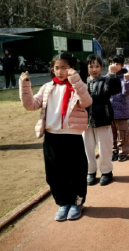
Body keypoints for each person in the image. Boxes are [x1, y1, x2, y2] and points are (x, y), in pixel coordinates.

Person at [19, 52, 92, 221]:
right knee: (54, 174)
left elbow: (86, 102)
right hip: (52, 138)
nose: (59, 71)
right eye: (56, 67)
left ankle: (77, 202)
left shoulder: (77, 86)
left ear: (72, 68)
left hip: (72, 137)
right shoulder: (47, 87)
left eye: (64, 68)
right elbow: (31, 105)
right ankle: (63, 203)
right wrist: (25, 86)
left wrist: (75, 81)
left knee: (76, 173)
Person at [83, 55, 122, 186]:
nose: (94, 69)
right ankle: (90, 171)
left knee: (104, 147)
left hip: (103, 119)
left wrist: (112, 75)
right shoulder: (82, 83)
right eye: (91, 66)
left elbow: (115, 90)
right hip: (85, 121)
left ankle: (106, 171)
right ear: (86, 68)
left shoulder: (106, 80)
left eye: (97, 66)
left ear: (101, 67)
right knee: (87, 148)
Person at [110, 54, 129, 162]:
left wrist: (127, 81)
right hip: (110, 112)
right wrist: (111, 75)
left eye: (116, 63)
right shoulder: (108, 77)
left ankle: (123, 152)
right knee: (111, 134)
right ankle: (114, 150)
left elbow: (127, 92)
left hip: (122, 112)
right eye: (111, 63)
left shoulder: (125, 76)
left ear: (122, 65)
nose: (113, 65)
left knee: (123, 135)